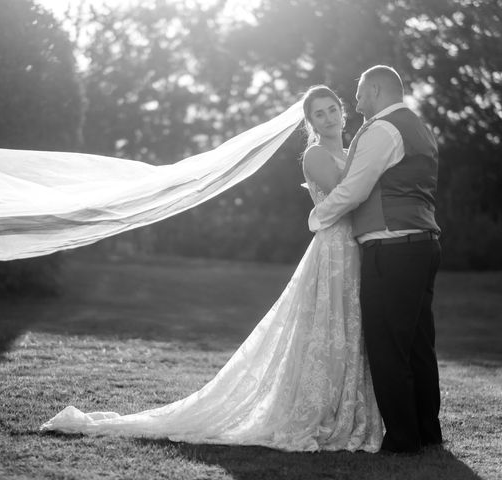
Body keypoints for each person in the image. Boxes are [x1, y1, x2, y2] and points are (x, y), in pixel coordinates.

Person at [40, 85, 384, 453]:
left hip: (355, 248)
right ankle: (316, 412)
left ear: (343, 112)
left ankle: (344, 407)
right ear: (310, 122)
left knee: (348, 328)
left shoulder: (350, 151)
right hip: (333, 250)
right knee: (325, 329)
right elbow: (348, 196)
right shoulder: (316, 154)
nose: (329, 117)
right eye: (320, 113)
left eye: (333, 109)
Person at [309, 65, 443, 453]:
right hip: (423, 242)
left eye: (360, 94)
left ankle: (403, 439)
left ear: (377, 90)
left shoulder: (383, 130)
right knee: (418, 343)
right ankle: (426, 432)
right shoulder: (418, 127)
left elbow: (354, 189)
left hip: (392, 246)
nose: (355, 102)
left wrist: (316, 216)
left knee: (387, 345)